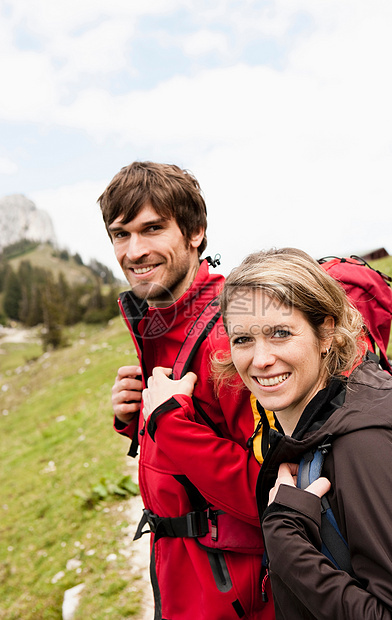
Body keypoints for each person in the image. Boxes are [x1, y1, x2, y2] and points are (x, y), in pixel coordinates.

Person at [98, 162, 275, 620]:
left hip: (238, 594)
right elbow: (193, 428)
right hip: (182, 578)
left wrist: (168, 423)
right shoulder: (160, 320)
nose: (134, 250)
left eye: (152, 229)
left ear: (195, 232)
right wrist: (135, 418)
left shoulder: (229, 338)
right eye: (121, 234)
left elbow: (274, 495)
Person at [212, 247, 392, 620]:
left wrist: (285, 541)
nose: (260, 359)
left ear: (326, 332)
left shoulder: (362, 444)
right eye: (242, 340)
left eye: (281, 333)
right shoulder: (321, 427)